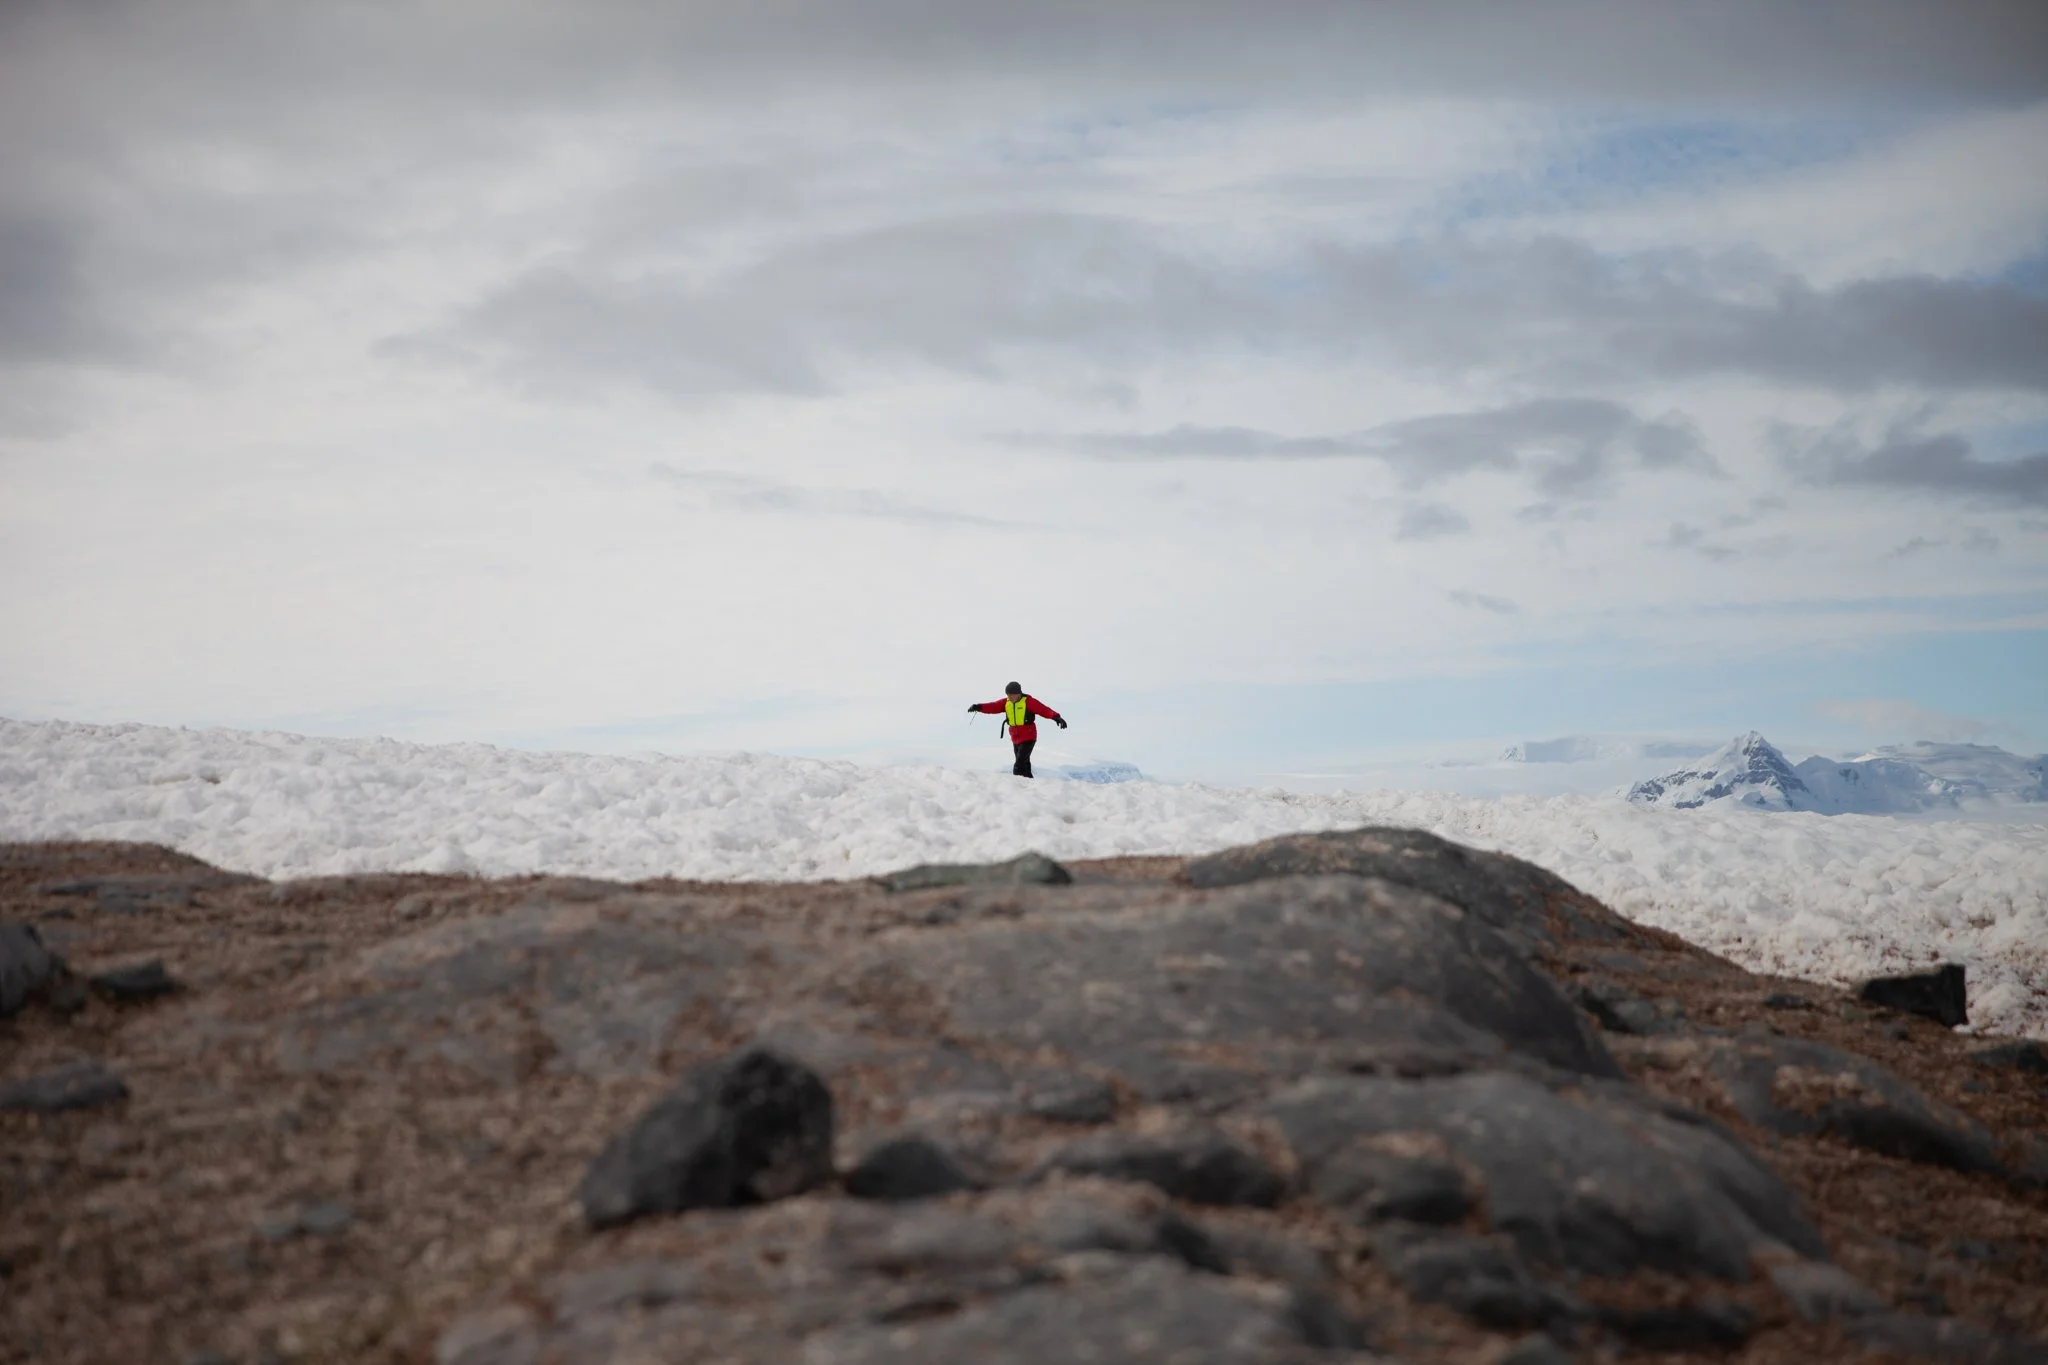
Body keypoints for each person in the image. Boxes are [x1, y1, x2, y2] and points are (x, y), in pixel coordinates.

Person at [968, 681, 1066, 778]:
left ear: (1018, 694)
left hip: (1028, 737)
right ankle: (1030, 785)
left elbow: (1043, 709)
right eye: (1008, 695)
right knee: (1024, 765)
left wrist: (1056, 717)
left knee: (1018, 766)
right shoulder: (1006, 702)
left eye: (1012, 695)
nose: (1009, 697)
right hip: (1015, 738)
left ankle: (1016, 785)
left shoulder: (1028, 702)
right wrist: (978, 707)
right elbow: (993, 706)